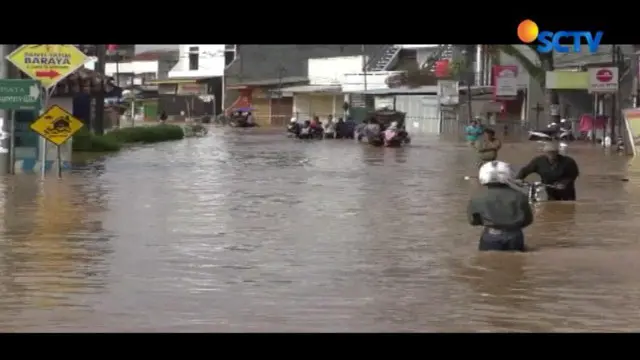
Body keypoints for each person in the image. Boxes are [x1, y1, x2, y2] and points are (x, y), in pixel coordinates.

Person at [468, 161, 534, 252]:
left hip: (491, 236)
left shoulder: (477, 197)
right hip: (514, 236)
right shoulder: (520, 196)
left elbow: (473, 221)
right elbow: (528, 220)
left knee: (488, 264)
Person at [515, 142, 579, 201]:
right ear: (545, 153)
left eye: (553, 152)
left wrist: (564, 183)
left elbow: (574, 175)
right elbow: (526, 170)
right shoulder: (538, 161)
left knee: (568, 208)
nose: (551, 154)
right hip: (550, 189)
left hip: (566, 191)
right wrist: (519, 178)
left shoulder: (568, 162)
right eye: (549, 152)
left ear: (557, 152)